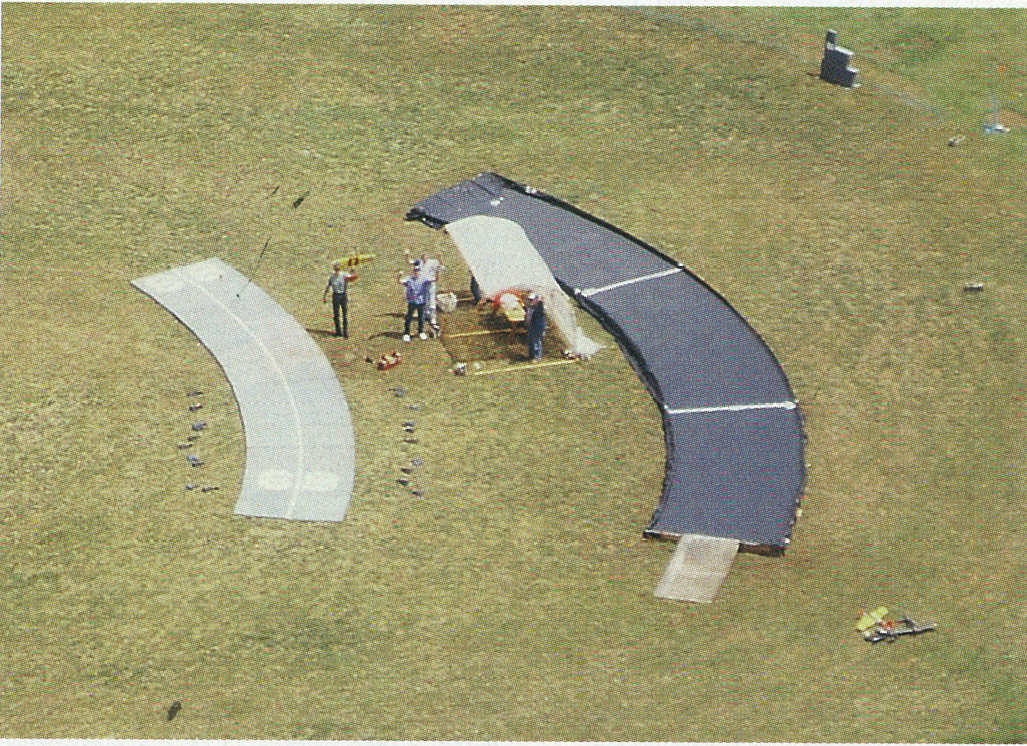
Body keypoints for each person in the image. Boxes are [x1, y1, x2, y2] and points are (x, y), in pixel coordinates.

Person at [405, 250, 445, 332]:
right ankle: (425, 315)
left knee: (432, 302)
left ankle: (433, 319)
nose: (424, 258)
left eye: (425, 256)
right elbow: (410, 262)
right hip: (422, 286)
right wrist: (407, 255)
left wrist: (440, 257)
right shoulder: (419, 262)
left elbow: (442, 266)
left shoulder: (433, 262)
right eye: (423, 256)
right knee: (423, 301)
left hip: (430, 284)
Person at [398, 262, 431, 342]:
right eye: (415, 270)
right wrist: (399, 275)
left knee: (421, 318)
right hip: (412, 302)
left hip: (421, 302)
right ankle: (406, 333)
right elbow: (400, 281)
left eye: (418, 270)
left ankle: (421, 332)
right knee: (409, 317)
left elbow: (435, 280)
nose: (417, 272)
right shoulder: (409, 279)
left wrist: (437, 273)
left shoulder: (424, 279)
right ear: (413, 271)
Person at [322, 261, 357, 338]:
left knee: (344, 315)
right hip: (335, 296)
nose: (336, 269)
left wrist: (353, 271)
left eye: (337, 267)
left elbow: (353, 278)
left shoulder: (344, 275)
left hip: (343, 295)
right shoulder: (332, 277)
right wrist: (324, 296)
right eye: (335, 267)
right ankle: (338, 331)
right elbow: (328, 287)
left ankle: (345, 332)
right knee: (336, 315)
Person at [525, 292, 546, 362]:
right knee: (531, 341)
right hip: (531, 326)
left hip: (537, 327)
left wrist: (540, 301)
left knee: (536, 342)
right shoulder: (530, 307)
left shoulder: (539, 307)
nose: (530, 301)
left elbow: (541, 305)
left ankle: (537, 357)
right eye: (530, 300)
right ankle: (532, 356)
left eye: (532, 300)